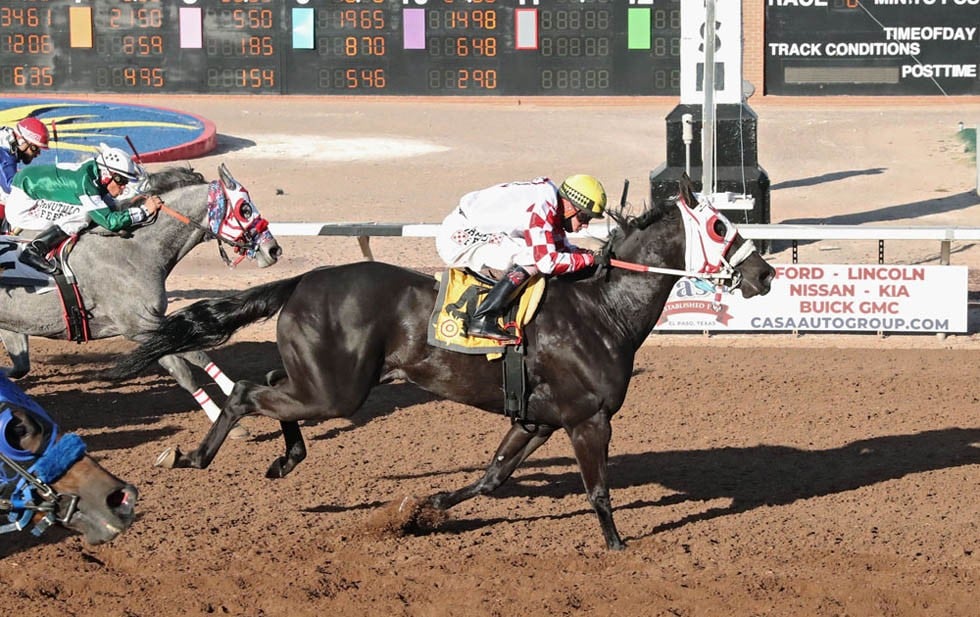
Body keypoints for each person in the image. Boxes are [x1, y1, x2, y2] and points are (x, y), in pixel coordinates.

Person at [435, 174, 607, 344]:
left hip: (472, 226)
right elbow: (547, 262)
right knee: (532, 258)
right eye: (584, 217)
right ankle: (483, 317)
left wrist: (588, 254)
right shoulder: (542, 207)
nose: (585, 224)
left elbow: (560, 246)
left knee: (534, 253)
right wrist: (588, 260)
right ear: (569, 206)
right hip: (457, 238)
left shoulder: (549, 201)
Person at [5, 143, 163, 274]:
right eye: (122, 181)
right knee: (86, 214)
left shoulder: (95, 171)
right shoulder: (86, 184)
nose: (123, 187)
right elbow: (110, 222)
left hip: (28, 190)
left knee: (103, 205)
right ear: (107, 176)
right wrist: (144, 211)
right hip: (24, 207)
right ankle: (34, 250)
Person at [0, 117, 50, 208]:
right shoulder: (5, 152)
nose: (38, 154)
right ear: (22, 141)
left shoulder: (6, 140)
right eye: (35, 148)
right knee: (12, 201)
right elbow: (12, 187)